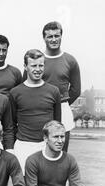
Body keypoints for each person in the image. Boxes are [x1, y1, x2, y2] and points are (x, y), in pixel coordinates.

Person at [9, 49, 61, 173]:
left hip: (46, 146)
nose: (38, 69)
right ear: (25, 67)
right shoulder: (15, 92)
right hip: (24, 146)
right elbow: (11, 124)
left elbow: (57, 124)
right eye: (33, 65)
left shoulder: (54, 91)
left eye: (41, 65)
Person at [41, 21, 81, 151]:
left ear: (61, 37)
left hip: (63, 108)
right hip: (41, 109)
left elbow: (76, 89)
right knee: (41, 150)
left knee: (61, 152)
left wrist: (61, 104)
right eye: (50, 36)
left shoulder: (70, 60)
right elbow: (26, 86)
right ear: (44, 38)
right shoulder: (37, 59)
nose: (53, 39)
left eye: (56, 36)